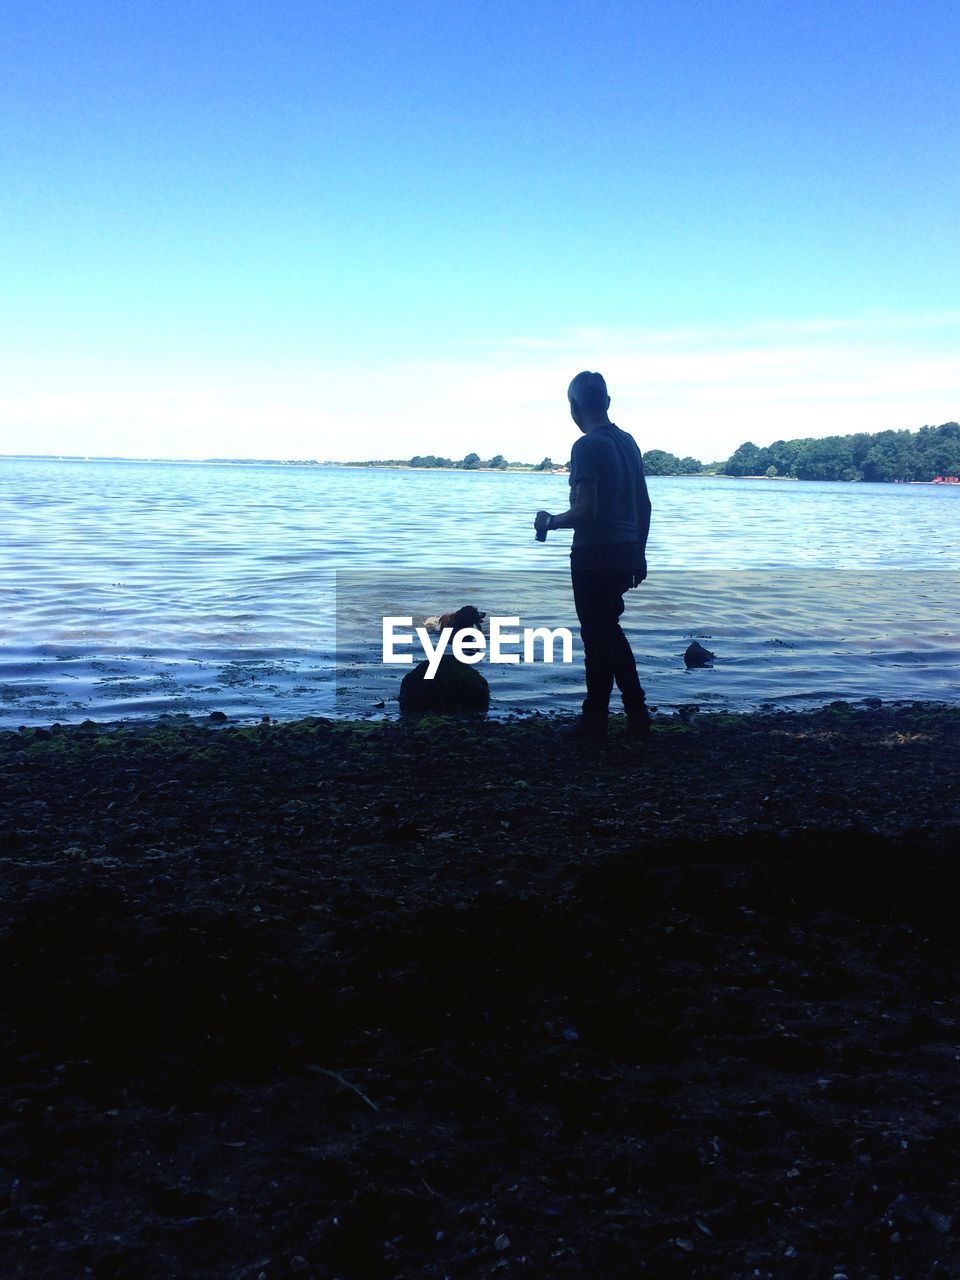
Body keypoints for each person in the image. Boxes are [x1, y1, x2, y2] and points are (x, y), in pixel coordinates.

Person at [535, 371, 652, 740]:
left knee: (599, 636)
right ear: (607, 402)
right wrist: (640, 552)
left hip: (594, 554)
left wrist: (550, 521)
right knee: (606, 634)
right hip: (624, 551)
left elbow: (587, 512)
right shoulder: (627, 442)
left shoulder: (586, 447)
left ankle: (612, 716)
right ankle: (613, 715)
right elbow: (644, 505)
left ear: (574, 406)